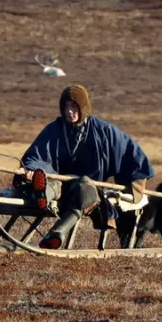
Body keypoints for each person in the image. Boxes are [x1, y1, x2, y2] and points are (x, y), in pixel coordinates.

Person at [20, 84, 153, 249]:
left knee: (84, 187)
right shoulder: (54, 129)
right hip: (60, 182)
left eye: (74, 106)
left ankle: (57, 234)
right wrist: (31, 169)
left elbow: (128, 150)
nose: (70, 111)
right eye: (66, 106)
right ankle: (43, 196)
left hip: (88, 187)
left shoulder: (102, 131)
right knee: (50, 182)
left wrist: (136, 181)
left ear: (83, 107)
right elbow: (38, 153)